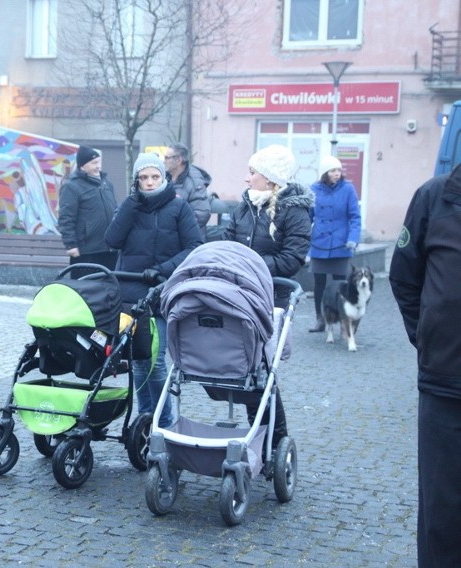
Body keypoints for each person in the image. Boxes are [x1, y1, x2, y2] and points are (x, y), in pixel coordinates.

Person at [389, 164, 461, 567]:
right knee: (442, 508)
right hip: (445, 383)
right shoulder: (434, 197)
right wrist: (428, 337)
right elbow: (404, 277)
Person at [223, 144, 313, 449]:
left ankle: (275, 441)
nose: (247, 179)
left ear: (271, 178)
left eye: (253, 172)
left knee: (262, 371)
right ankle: (260, 437)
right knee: (245, 369)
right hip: (238, 295)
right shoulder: (245, 205)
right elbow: (228, 240)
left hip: (272, 296)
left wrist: (250, 265)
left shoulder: (293, 210)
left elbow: (293, 258)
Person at [104, 152, 203, 428]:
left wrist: (163, 269)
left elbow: (195, 246)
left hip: (162, 291)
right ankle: (145, 422)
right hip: (131, 293)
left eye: (154, 176)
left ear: (163, 177)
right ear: (137, 180)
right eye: (143, 177)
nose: (149, 182)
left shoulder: (178, 208)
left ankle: (164, 421)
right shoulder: (130, 205)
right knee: (138, 361)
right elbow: (112, 240)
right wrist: (130, 206)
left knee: (155, 361)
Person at [306, 155, 362, 332]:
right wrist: (303, 238)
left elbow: (355, 216)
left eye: (338, 170)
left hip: (341, 244)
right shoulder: (313, 190)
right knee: (319, 285)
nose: (337, 173)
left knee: (340, 284)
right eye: (332, 171)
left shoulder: (348, 189)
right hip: (319, 244)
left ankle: (342, 319)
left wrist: (353, 238)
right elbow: (307, 217)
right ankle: (320, 319)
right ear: (324, 173)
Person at [58, 145, 118, 275]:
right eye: (93, 163)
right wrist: (71, 245)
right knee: (85, 289)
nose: (98, 166)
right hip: (86, 251)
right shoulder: (72, 187)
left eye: (98, 162)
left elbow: (115, 210)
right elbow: (66, 217)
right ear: (82, 166)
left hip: (109, 250)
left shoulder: (107, 184)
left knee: (110, 288)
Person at [163, 143, 212, 230]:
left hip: (187, 237)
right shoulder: (163, 178)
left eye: (167, 158)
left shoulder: (195, 181)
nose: (164, 161)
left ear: (178, 160)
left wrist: (177, 228)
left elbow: (202, 214)